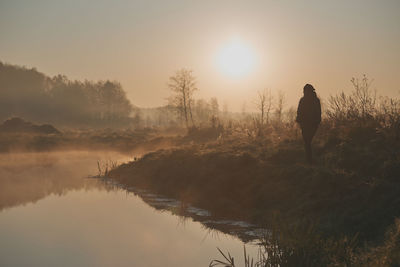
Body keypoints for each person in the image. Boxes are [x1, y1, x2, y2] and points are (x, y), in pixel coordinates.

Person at [296, 84, 321, 164]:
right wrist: (299, 120)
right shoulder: (307, 100)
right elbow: (299, 112)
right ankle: (309, 159)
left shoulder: (314, 100)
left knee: (307, 141)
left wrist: (316, 121)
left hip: (311, 124)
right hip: (306, 124)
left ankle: (309, 160)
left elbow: (318, 112)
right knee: (307, 142)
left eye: (305, 91)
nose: (304, 92)